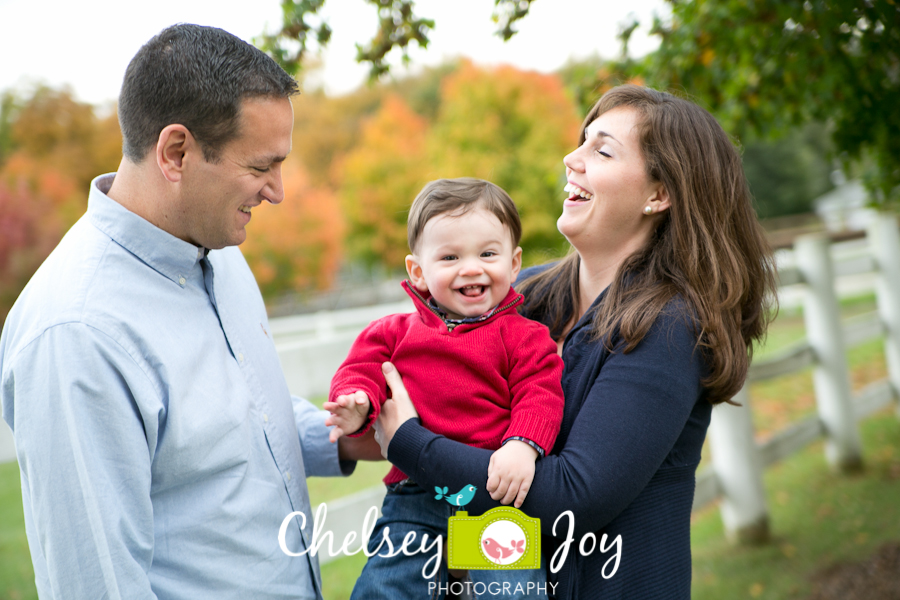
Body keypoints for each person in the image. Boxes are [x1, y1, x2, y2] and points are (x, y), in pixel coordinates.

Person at [0, 24, 368, 600]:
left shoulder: (219, 254)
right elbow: (93, 584)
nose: (278, 191)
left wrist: (351, 437)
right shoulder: (76, 334)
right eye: (260, 166)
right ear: (176, 152)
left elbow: (239, 423)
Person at [372, 84, 777, 599]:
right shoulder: (523, 295)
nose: (571, 158)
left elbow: (569, 499)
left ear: (659, 194)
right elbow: (452, 413)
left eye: (601, 150)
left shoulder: (669, 326)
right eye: (581, 142)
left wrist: (409, 444)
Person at [325, 178, 565, 598]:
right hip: (415, 492)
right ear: (418, 272)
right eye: (450, 256)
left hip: (493, 493)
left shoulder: (524, 337)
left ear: (513, 263)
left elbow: (540, 393)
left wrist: (522, 445)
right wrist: (357, 401)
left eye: (488, 254)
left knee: (511, 592)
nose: (471, 268)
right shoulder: (394, 332)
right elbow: (362, 368)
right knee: (386, 587)